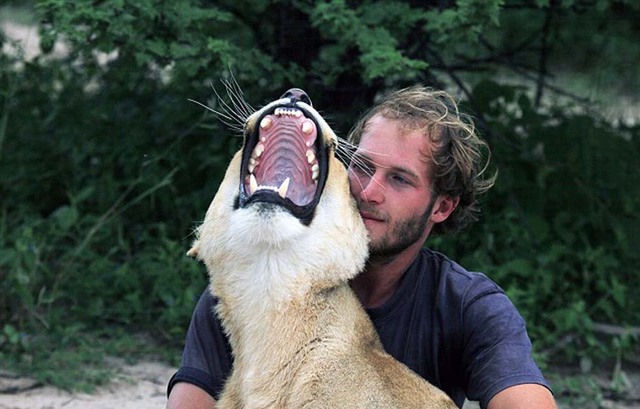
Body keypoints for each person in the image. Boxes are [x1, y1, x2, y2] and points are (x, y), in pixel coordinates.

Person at [166, 87, 557, 409]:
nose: (369, 192)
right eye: (363, 167)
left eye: (399, 180)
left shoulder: (466, 303)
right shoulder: (256, 286)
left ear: (442, 206)